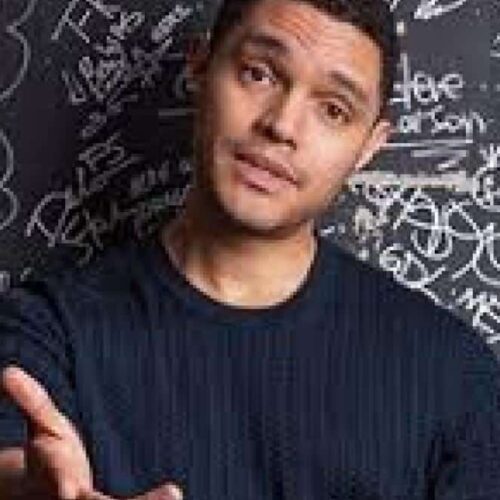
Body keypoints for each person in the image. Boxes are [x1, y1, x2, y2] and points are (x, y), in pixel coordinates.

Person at [1, 0, 499, 498]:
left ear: (369, 145)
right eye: (259, 74)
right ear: (200, 66)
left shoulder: (453, 373)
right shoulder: (49, 330)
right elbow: (17, 466)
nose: (282, 126)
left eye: (333, 110)